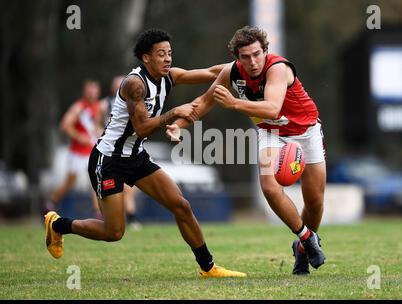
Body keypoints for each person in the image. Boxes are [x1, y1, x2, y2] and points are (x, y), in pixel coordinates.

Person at [44, 28, 246, 278]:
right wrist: (174, 113)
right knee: (114, 232)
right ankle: (58, 224)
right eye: (161, 54)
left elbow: (213, 72)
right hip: (109, 161)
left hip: (136, 157)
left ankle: (208, 267)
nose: (168, 59)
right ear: (146, 58)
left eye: (169, 53)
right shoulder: (134, 85)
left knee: (180, 205)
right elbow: (141, 127)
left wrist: (243, 61)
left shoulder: (170, 76)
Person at [167, 26, 326, 275]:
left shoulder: (278, 68)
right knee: (269, 186)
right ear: (237, 58)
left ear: (265, 51)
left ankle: (302, 249)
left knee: (315, 202)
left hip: (306, 132)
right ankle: (306, 237)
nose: (252, 62)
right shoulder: (232, 72)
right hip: (270, 132)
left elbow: (273, 108)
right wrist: (178, 125)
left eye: (256, 54)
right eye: (245, 57)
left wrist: (233, 103)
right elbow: (204, 102)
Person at [45, 80, 103, 216]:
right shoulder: (79, 107)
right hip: (77, 152)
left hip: (91, 150)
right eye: (89, 91)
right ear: (85, 92)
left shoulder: (98, 106)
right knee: (70, 183)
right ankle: (50, 203)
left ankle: (98, 213)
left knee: (95, 180)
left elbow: (95, 126)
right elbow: (64, 125)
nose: (92, 94)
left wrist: (99, 132)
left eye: (94, 91)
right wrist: (79, 136)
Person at [100, 75, 141, 230]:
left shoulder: (136, 102)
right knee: (112, 189)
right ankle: (116, 217)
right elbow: (98, 123)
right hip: (110, 150)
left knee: (130, 187)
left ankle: (129, 216)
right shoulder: (105, 104)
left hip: (128, 149)